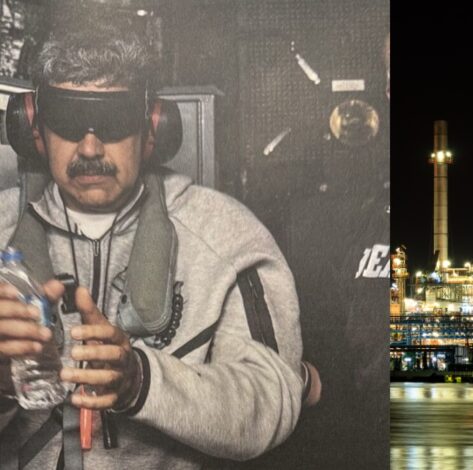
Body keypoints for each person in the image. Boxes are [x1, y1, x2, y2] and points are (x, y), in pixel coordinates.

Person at [0, 21, 309, 469]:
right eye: (67, 121)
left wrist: (141, 381)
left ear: (152, 131)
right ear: (33, 129)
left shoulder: (227, 234)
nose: (89, 147)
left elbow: (272, 402)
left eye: (114, 121)